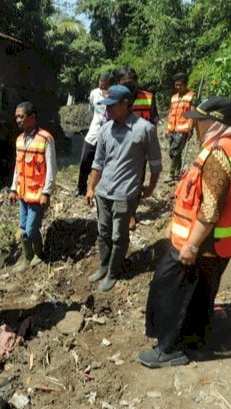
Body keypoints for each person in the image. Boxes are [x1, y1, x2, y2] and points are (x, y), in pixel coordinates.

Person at [139, 96, 231, 369]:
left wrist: (192, 246)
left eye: (199, 121)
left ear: (214, 123)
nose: (195, 127)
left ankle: (169, 349)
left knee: (172, 291)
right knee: (198, 297)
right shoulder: (223, 148)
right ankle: (196, 341)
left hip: (204, 245)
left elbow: (210, 209)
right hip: (212, 244)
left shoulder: (219, 154)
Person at [86, 85, 162, 292]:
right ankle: (104, 265)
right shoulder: (105, 129)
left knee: (119, 236)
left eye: (112, 106)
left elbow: (155, 163)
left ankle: (113, 271)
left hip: (126, 194)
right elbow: (98, 162)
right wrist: (91, 187)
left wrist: (151, 187)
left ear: (125, 104)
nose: (107, 110)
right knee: (103, 232)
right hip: (104, 192)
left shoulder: (145, 129)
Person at [8, 101, 57, 272]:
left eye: (21, 116)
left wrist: (47, 192)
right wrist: (13, 188)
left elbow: (51, 168)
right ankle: (27, 257)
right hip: (23, 193)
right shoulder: (20, 140)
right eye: (16, 117)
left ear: (32, 117)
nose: (18, 120)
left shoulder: (45, 139)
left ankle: (38, 253)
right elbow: (17, 167)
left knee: (30, 229)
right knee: (23, 228)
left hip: (37, 195)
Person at [117, 66, 160, 231]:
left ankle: (131, 214)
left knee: (137, 181)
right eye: (124, 83)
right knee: (120, 180)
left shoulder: (148, 97)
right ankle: (121, 212)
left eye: (131, 83)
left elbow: (154, 119)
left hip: (141, 147)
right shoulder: (116, 98)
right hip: (121, 146)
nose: (129, 86)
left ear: (136, 82)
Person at [76, 72, 113, 196]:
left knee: (106, 163)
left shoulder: (114, 95)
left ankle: (103, 190)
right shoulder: (94, 94)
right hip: (94, 131)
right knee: (85, 159)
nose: (102, 87)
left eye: (104, 85)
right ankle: (81, 188)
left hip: (109, 133)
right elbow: (92, 109)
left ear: (109, 84)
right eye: (100, 84)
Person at [165, 72, 196, 182]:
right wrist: (167, 128)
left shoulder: (191, 96)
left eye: (180, 85)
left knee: (174, 151)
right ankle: (178, 173)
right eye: (176, 85)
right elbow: (170, 114)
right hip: (172, 129)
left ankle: (171, 173)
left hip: (183, 129)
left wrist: (190, 129)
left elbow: (192, 114)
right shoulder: (174, 98)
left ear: (185, 84)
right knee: (174, 152)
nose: (178, 87)